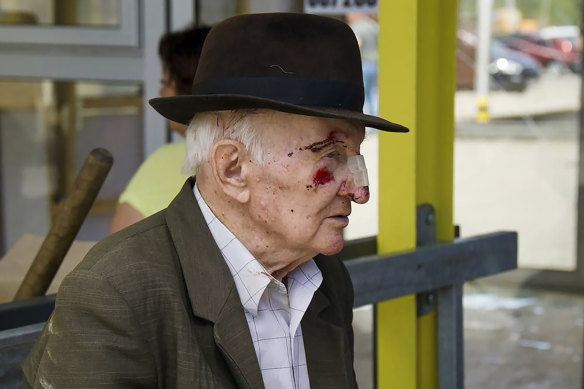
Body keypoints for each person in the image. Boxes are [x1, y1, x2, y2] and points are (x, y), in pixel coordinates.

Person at [22, 13, 408, 388]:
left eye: (355, 157)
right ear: (234, 169)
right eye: (330, 155)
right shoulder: (114, 294)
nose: (359, 190)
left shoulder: (325, 278)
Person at [109, 24, 210, 233]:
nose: (161, 91)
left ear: (188, 88)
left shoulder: (165, 160)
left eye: (166, 83)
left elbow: (117, 254)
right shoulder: (261, 160)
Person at [346, 12, 379, 116]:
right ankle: (374, 120)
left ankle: (364, 120)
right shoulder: (373, 25)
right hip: (375, 64)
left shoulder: (357, 26)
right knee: (372, 94)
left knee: (362, 95)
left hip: (364, 64)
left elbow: (358, 44)